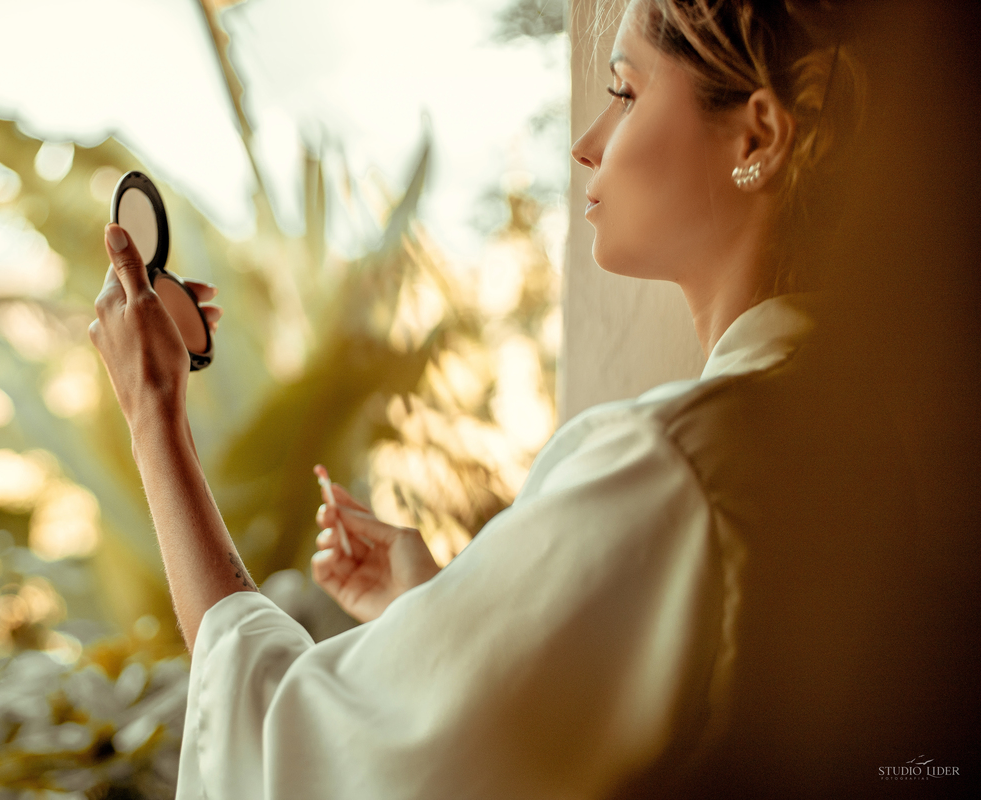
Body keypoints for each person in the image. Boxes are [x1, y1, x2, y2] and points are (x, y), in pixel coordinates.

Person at [89, 0, 975, 796]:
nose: (590, 141)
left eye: (626, 93)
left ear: (760, 138)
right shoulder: (847, 426)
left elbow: (288, 750)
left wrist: (154, 418)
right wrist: (436, 614)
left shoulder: (673, 464)